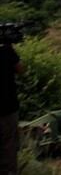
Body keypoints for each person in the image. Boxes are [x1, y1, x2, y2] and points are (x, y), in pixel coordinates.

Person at [0, 39, 24, 175]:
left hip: (8, 108)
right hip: (7, 108)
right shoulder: (5, 51)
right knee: (9, 147)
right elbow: (21, 69)